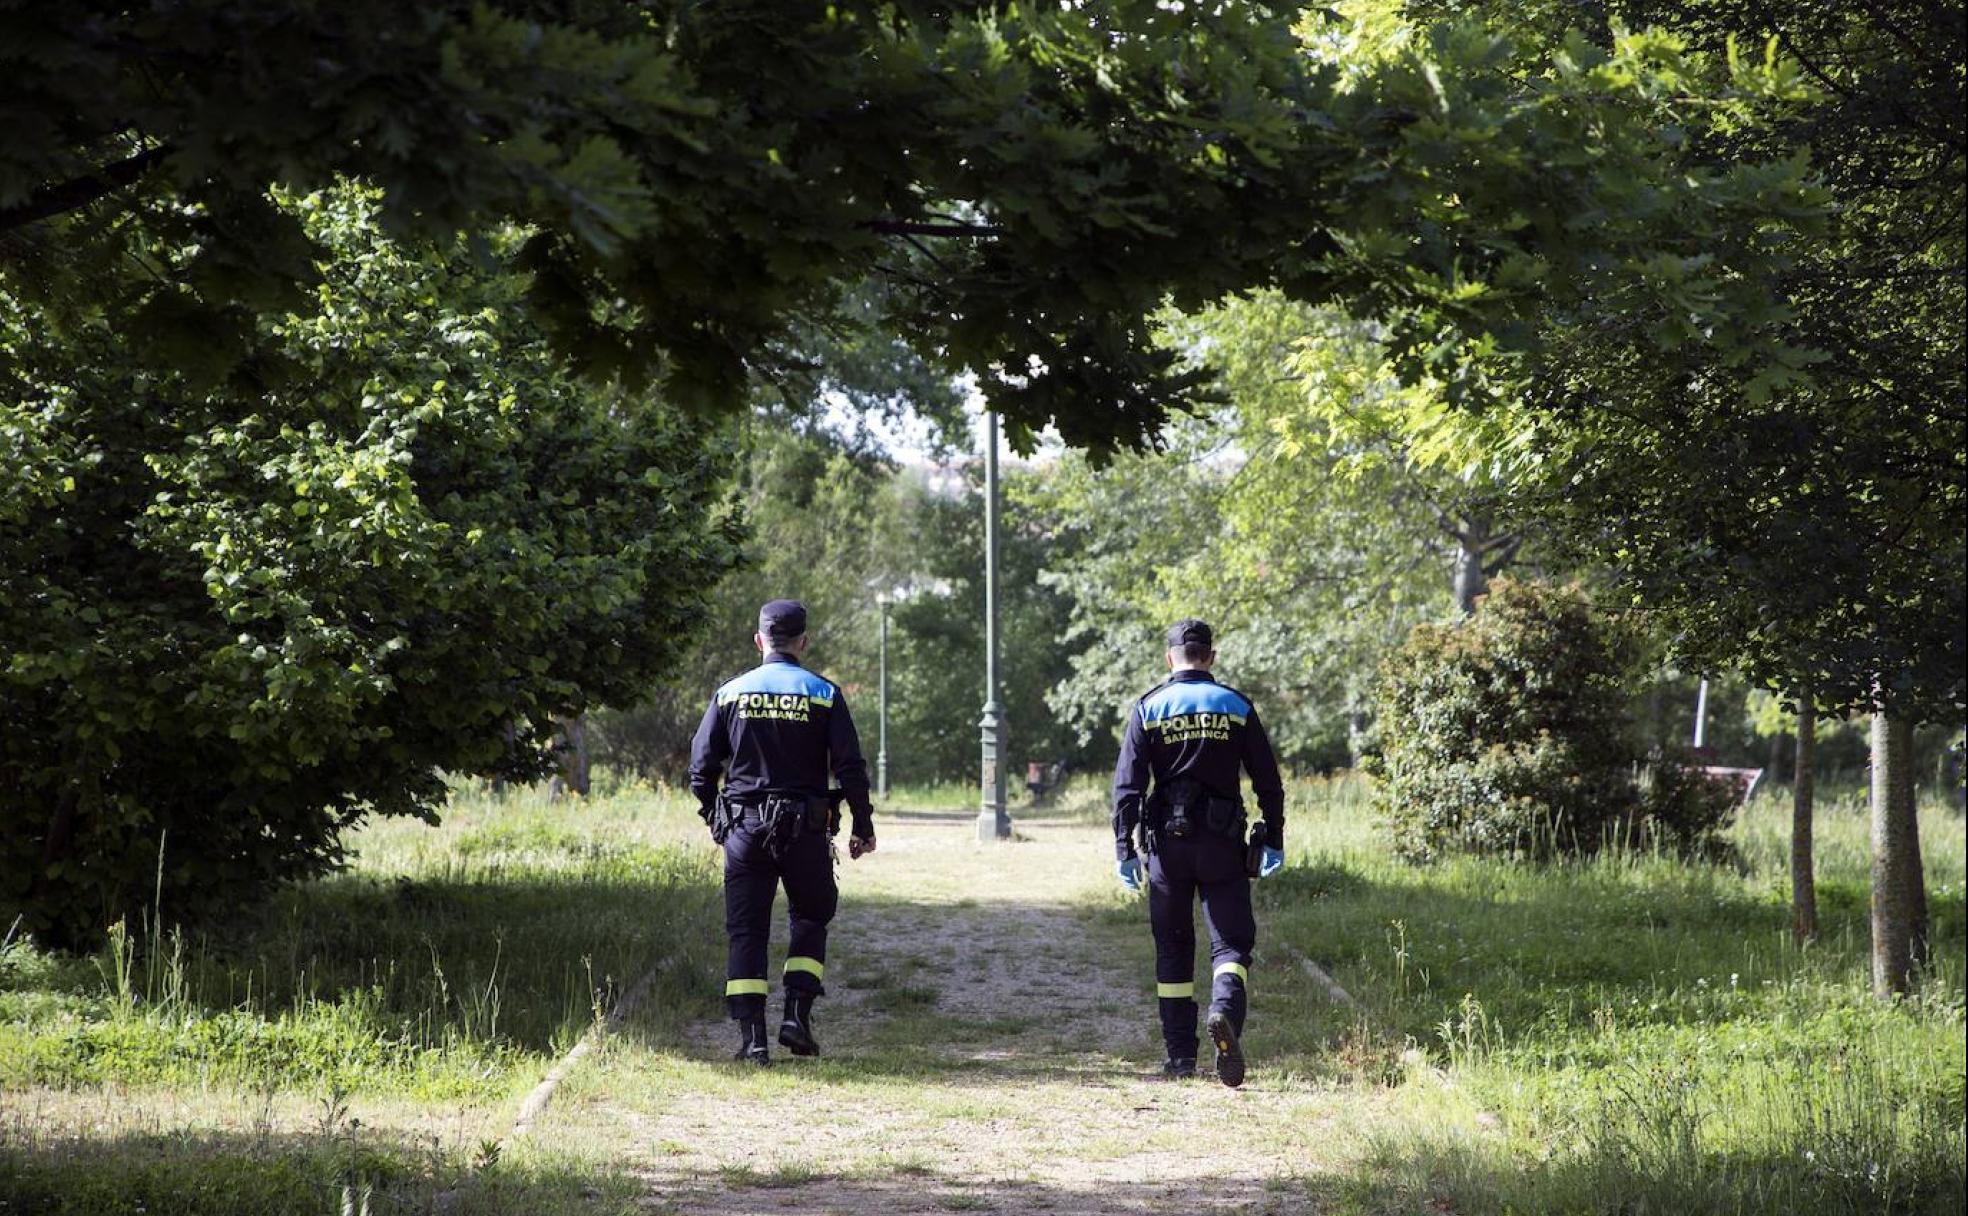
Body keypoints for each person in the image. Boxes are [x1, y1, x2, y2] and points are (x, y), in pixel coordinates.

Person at [689, 600, 876, 1065]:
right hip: (806, 829)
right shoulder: (824, 694)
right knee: (811, 917)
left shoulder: (730, 694)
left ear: (759, 641)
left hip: (744, 830)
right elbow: (850, 766)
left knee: (746, 930)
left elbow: (700, 769)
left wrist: (717, 818)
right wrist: (862, 825)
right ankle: (797, 1016)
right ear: (803, 642)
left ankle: (753, 1040)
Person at [1112, 619, 1286, 1087]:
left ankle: (1180, 1058)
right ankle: (1224, 1011)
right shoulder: (1236, 705)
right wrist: (1274, 838)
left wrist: (1123, 847)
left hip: (1166, 847)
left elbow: (1128, 787)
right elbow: (1268, 781)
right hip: (1222, 844)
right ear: (1210, 657)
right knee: (1230, 944)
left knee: (1172, 946)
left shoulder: (1149, 707)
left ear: (1170, 658)